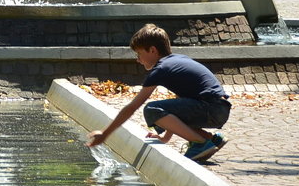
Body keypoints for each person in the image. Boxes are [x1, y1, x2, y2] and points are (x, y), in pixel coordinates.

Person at [85, 23, 231, 162]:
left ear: (153, 50)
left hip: (211, 108)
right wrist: (165, 138)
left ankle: (200, 143)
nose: (138, 60)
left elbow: (132, 107)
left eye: (139, 54)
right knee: (169, 110)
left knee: (152, 109)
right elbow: (179, 106)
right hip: (219, 108)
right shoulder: (176, 61)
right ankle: (211, 139)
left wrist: (105, 134)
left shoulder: (161, 69)